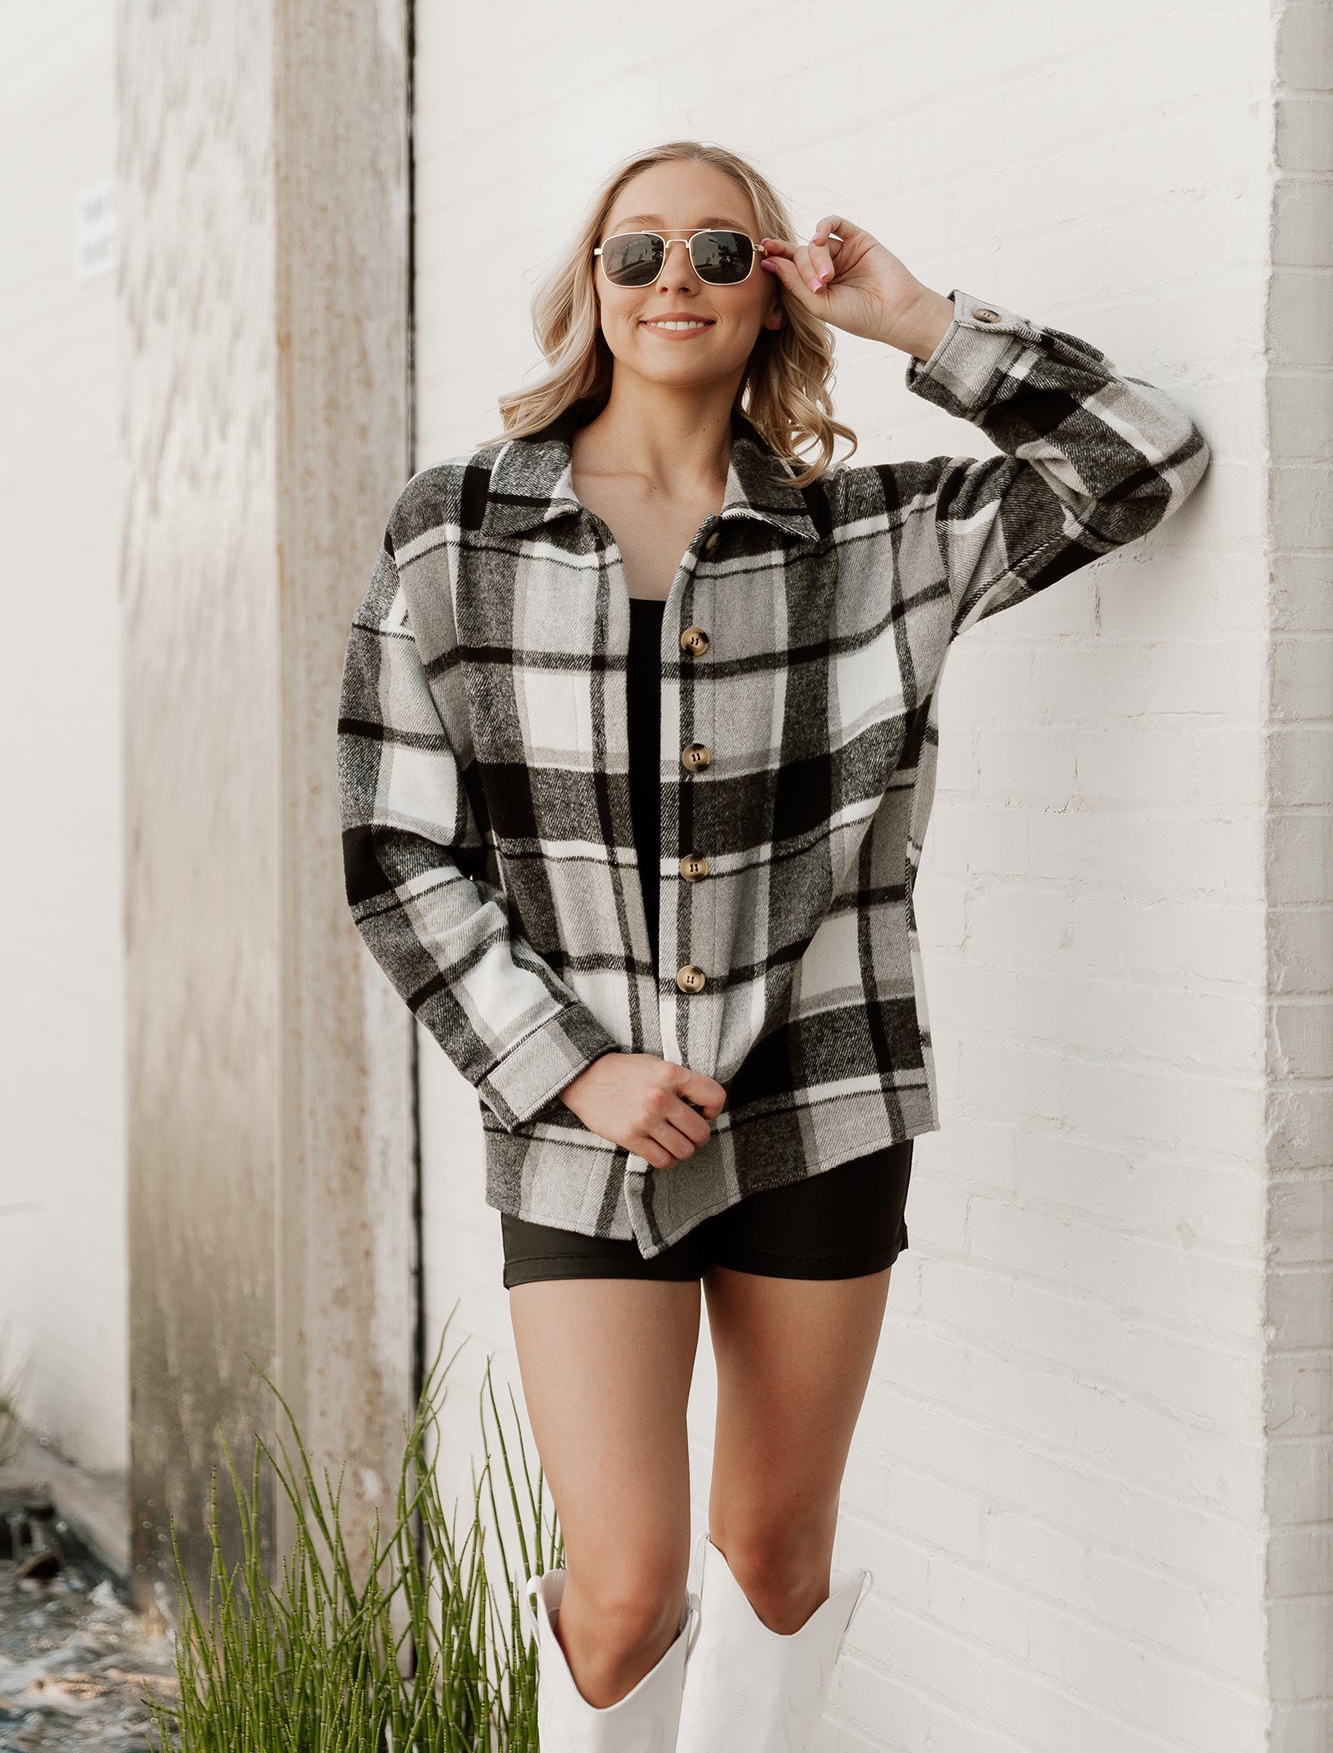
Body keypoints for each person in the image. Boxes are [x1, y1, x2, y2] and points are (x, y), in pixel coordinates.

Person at [336, 139, 1211, 1751]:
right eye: (637, 250)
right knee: (620, 1589)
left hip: (822, 1092)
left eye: (721, 251)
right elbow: (396, 849)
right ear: (591, 289)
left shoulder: (868, 535)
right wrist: (572, 1070)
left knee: (774, 1560)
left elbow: (1139, 459)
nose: (674, 276)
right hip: (584, 1125)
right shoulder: (455, 529)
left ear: (771, 291)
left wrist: (916, 318)